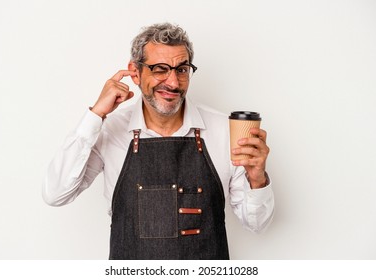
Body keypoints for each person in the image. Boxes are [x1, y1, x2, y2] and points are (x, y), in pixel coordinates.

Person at [43, 22, 274, 260]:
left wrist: (257, 179)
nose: (173, 82)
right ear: (135, 72)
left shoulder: (224, 130)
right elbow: (56, 194)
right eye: (160, 69)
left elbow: (257, 224)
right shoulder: (110, 128)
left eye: (182, 69)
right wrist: (96, 115)